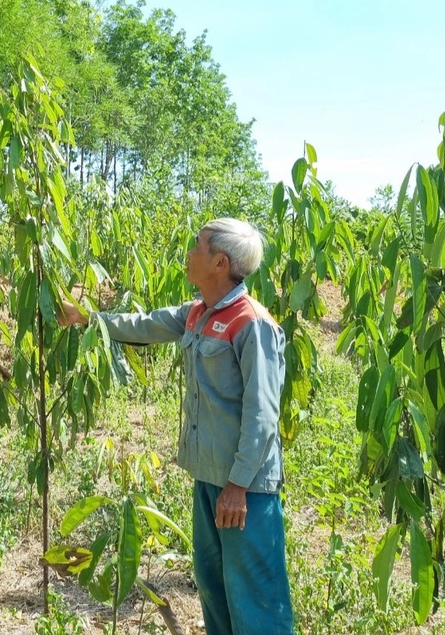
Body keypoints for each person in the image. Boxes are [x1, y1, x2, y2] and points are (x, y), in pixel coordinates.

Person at [57, 217, 294, 635]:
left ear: (220, 262)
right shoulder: (198, 313)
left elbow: (263, 414)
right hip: (209, 478)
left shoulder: (251, 323)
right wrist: (87, 318)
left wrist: (238, 485)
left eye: (198, 246)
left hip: (245, 490)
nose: (189, 254)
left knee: (256, 597)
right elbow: (143, 324)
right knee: (214, 585)